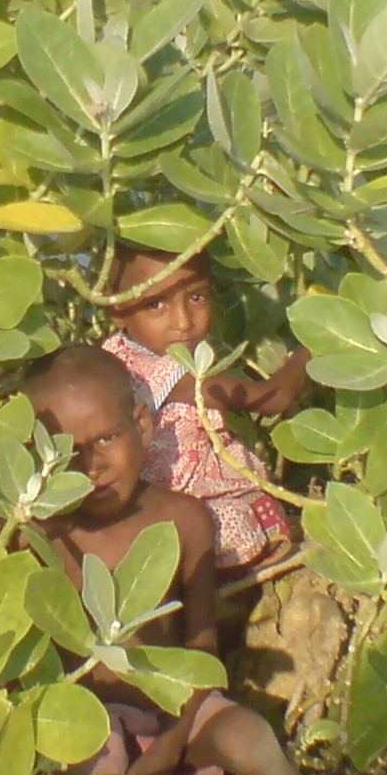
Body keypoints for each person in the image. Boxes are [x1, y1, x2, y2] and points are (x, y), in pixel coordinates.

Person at [20, 346, 384, 775]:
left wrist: (171, 743)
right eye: (68, 454)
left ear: (143, 424)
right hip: (90, 719)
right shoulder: (48, 540)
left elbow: (201, 646)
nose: (93, 466)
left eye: (106, 437)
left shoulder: (185, 521)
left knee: (256, 743)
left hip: (178, 709)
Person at [100, 248, 307, 582]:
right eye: (156, 304)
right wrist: (310, 350)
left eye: (196, 297)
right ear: (117, 307)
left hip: (140, 506)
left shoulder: (113, 356)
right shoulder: (178, 377)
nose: (183, 322)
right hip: (187, 505)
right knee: (241, 520)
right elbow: (275, 398)